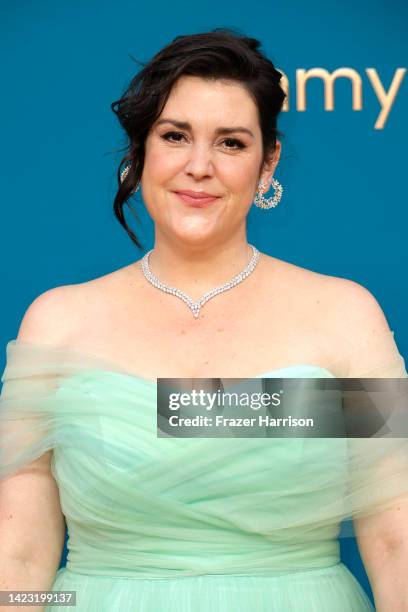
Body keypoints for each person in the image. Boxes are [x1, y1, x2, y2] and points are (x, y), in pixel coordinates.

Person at [1, 28, 408, 612]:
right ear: (140, 153)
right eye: (175, 136)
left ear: (267, 162)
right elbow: (17, 558)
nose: (199, 166)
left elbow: (397, 537)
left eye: (231, 143)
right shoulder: (57, 322)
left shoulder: (346, 316)